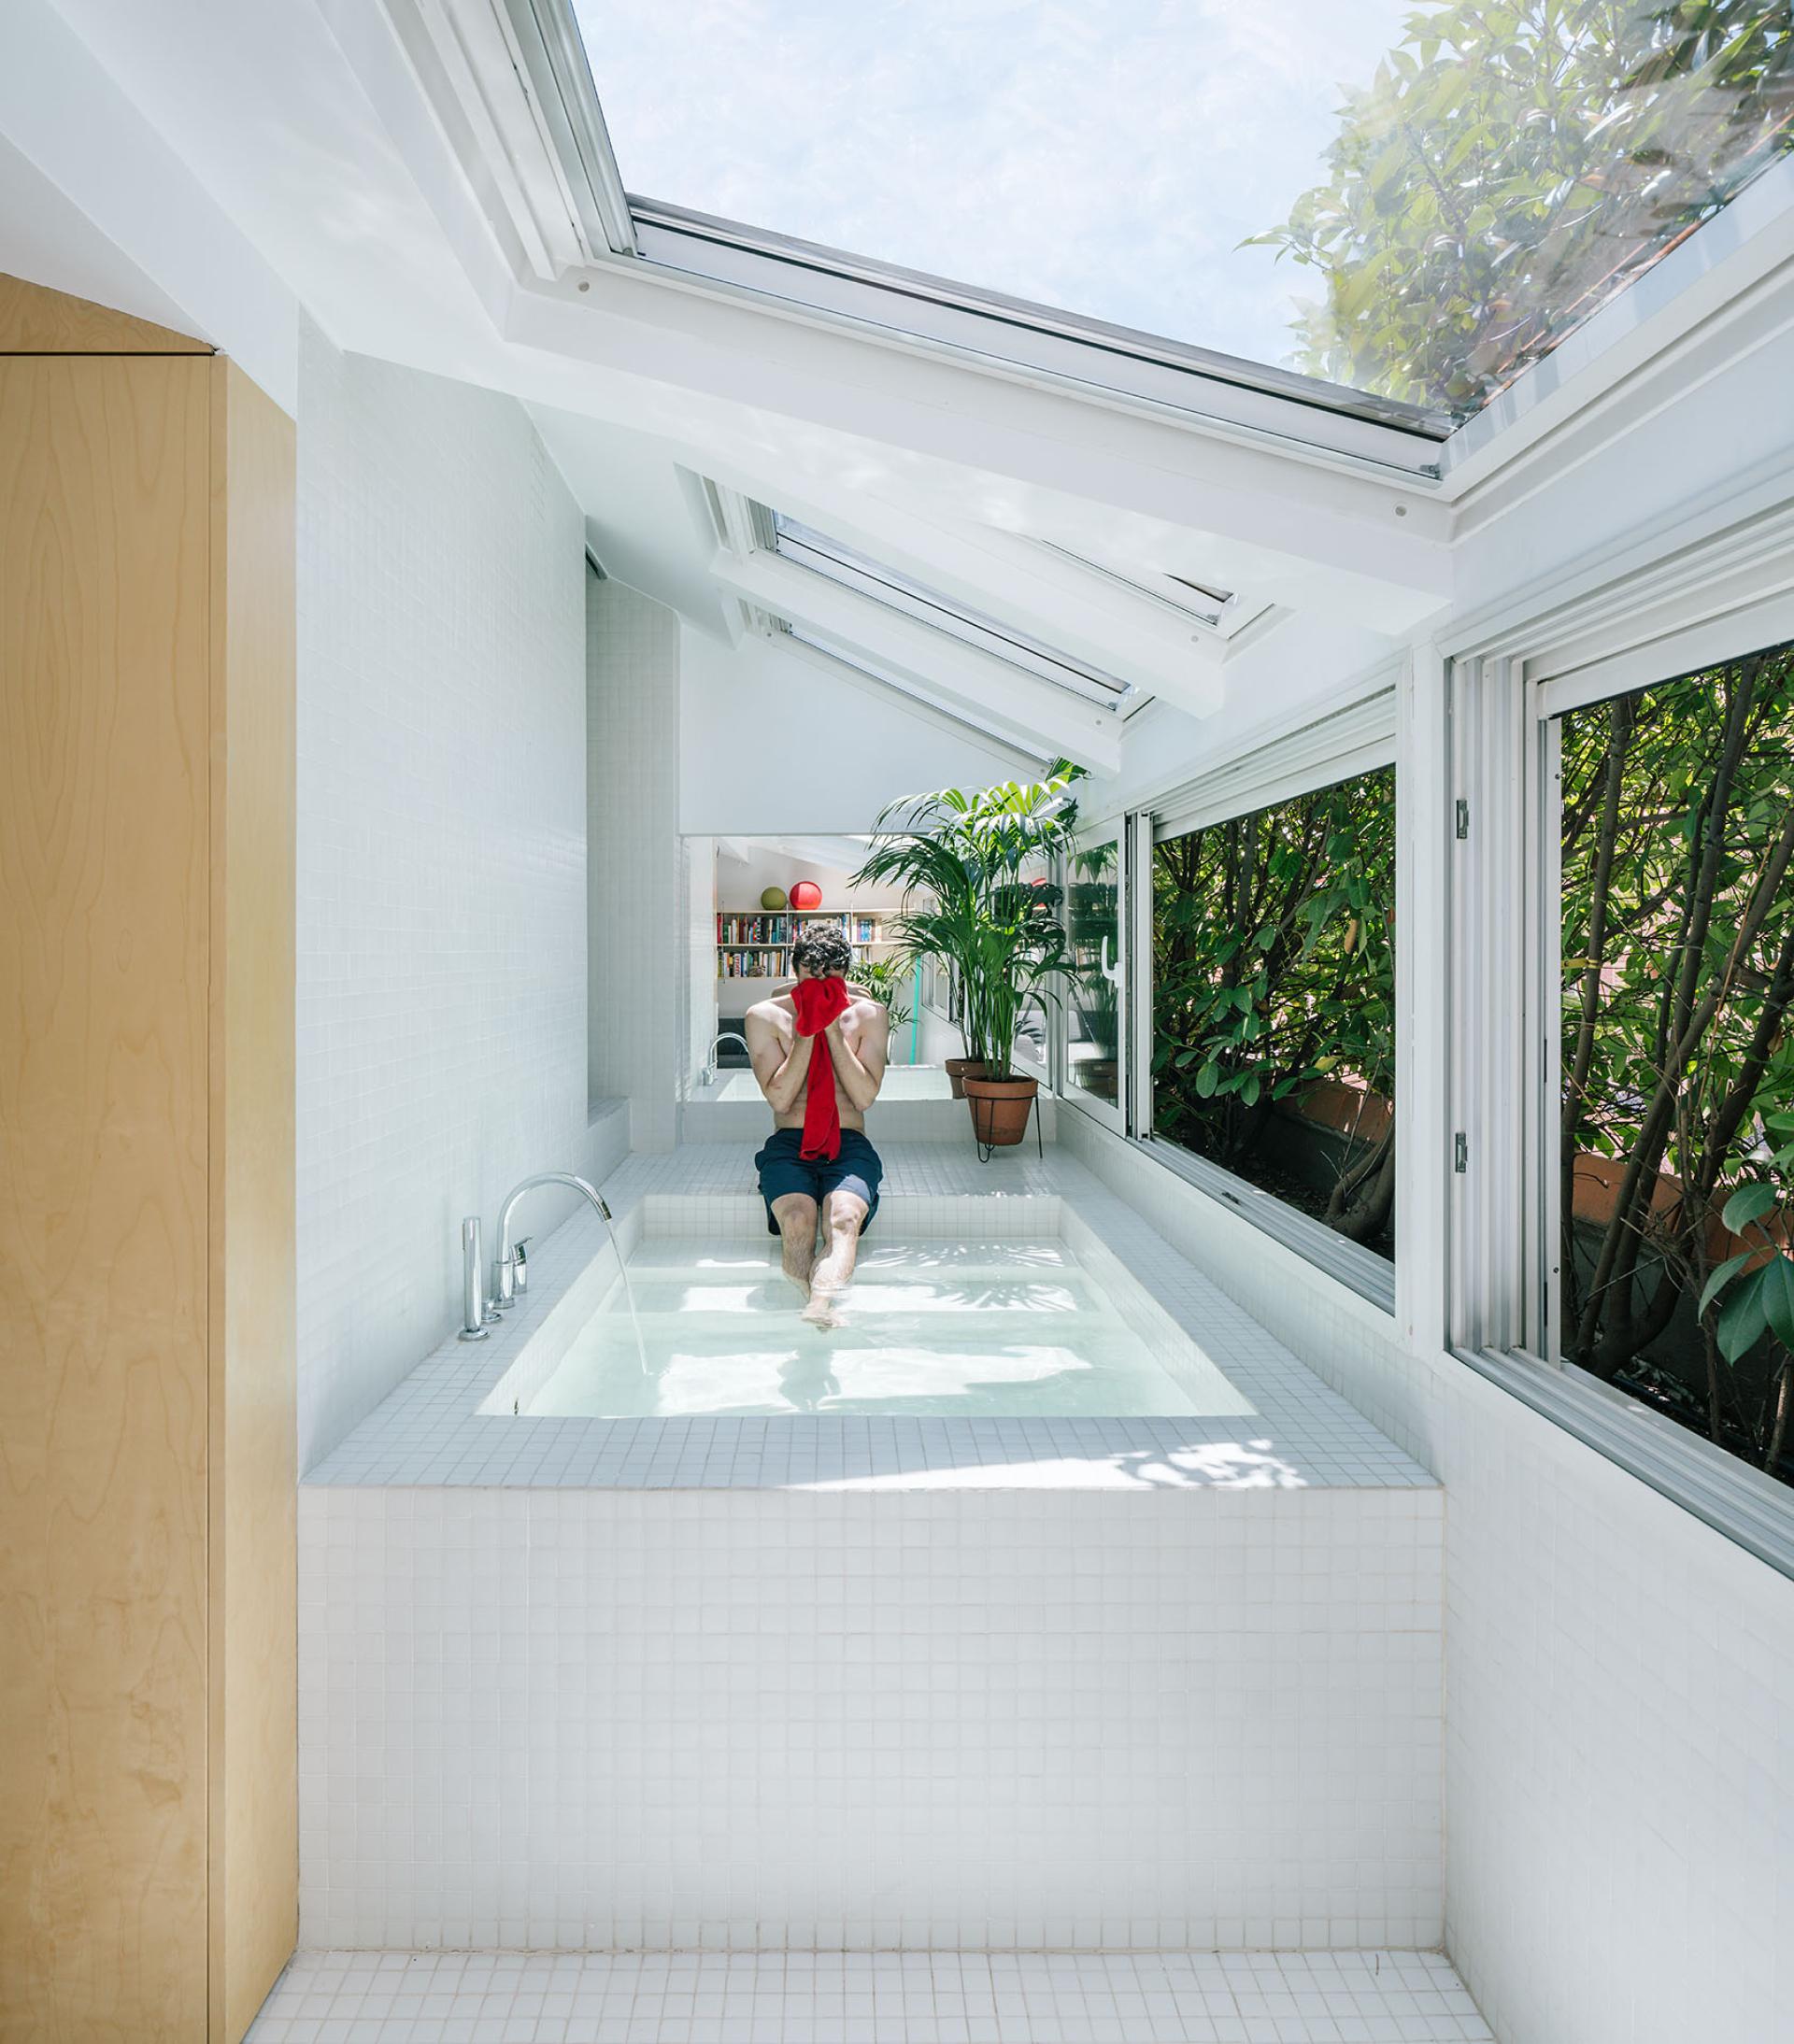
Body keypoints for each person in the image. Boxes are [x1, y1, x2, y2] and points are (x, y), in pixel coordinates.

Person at [744, 924, 888, 1327]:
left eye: (831, 978)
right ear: (795, 972)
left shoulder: (868, 1015)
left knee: (843, 1219)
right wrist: (807, 1031)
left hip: (848, 1140)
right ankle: (818, 1306)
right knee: (797, 1220)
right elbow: (779, 1099)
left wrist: (833, 1031)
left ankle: (818, 1307)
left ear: (845, 974)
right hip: (791, 1140)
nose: (822, 986)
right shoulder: (766, 1016)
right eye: (812, 977)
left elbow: (864, 1097)